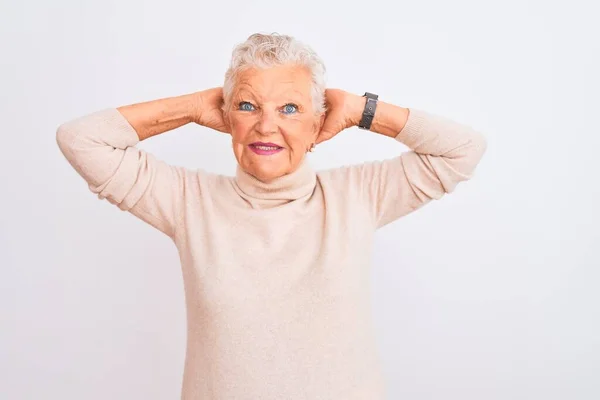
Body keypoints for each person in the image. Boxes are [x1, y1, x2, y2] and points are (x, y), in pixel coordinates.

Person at [56, 32, 487, 400]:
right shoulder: (188, 201)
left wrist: (362, 109)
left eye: (290, 109)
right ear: (226, 117)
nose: (265, 126)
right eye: (247, 107)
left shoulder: (357, 196)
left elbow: (463, 149)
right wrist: (191, 107)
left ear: (319, 123)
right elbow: (81, 139)